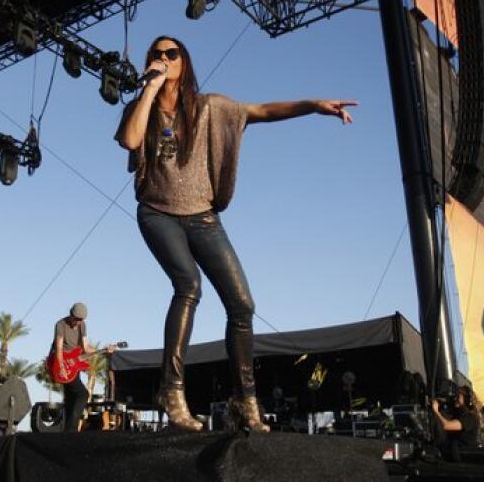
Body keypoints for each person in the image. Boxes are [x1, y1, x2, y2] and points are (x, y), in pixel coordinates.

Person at [114, 36, 357, 432]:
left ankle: (245, 400)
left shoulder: (209, 107)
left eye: (170, 54)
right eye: (156, 54)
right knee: (188, 285)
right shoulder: (138, 107)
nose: (163, 58)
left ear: (184, 61)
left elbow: (259, 110)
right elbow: (130, 140)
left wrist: (313, 106)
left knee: (242, 305)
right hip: (157, 213)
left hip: (203, 217)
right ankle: (171, 392)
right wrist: (150, 88)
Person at [52, 302, 113, 432]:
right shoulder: (61, 325)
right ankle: (71, 431)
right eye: (77, 320)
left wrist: (102, 350)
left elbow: (85, 348)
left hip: (74, 364)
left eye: (81, 320)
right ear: (71, 315)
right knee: (82, 394)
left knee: (70, 399)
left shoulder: (82, 326)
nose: (79, 323)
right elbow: (58, 348)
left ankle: (65, 433)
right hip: (60, 362)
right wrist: (62, 367)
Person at [432, 385, 481, 460]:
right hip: (454, 451)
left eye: (458, 396)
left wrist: (436, 411)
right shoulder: (459, 412)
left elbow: (447, 425)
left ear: (467, 400)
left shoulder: (471, 418)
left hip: (461, 456)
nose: (455, 398)